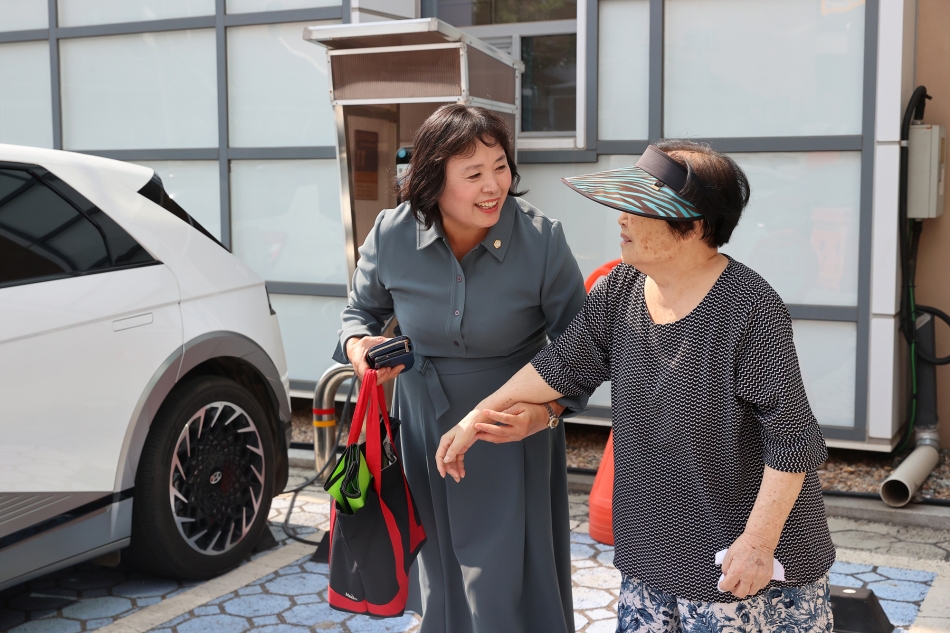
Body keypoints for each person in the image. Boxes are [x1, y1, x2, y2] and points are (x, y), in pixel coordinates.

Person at [437, 140, 836, 633]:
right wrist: (475, 419)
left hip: (740, 567)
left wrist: (757, 545)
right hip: (650, 555)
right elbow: (560, 365)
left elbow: (793, 438)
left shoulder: (750, 307)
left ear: (691, 225)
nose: (620, 219)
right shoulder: (620, 289)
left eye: (637, 207)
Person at [333, 104, 587, 633]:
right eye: (473, 174)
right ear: (432, 180)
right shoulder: (392, 232)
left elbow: (583, 346)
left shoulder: (542, 240)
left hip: (506, 426)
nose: (494, 185)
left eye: (501, 166)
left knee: (498, 577)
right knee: (437, 564)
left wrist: (546, 412)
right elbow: (359, 313)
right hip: (420, 420)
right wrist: (361, 351)